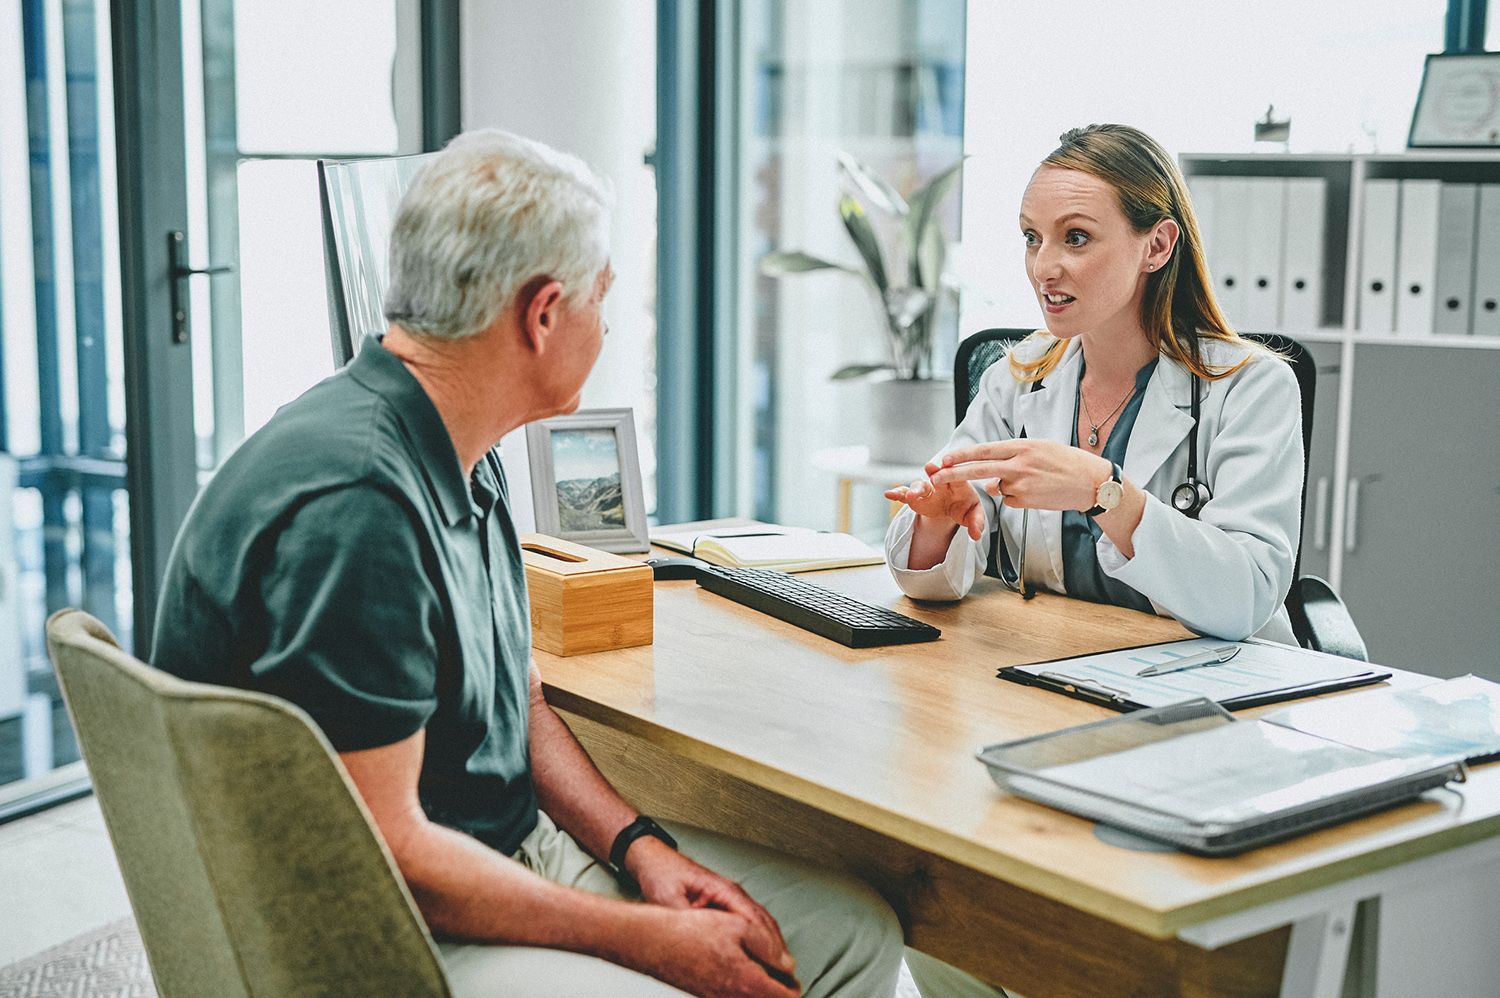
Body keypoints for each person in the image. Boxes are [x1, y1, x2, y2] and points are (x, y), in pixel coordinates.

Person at [151, 129, 908, 997]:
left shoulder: (460, 440)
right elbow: (391, 851)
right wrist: (640, 938)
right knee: (696, 970)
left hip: (490, 851)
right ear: (542, 314)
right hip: (373, 922)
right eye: (601, 298)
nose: (610, 324)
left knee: (851, 930)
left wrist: (643, 850)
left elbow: (525, 698)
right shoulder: (358, 508)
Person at [884, 123, 1303, 643]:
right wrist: (937, 524)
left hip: (1215, 691)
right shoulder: (1015, 380)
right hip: (1060, 664)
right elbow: (930, 581)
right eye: (1032, 238)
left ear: (1157, 246)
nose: (1043, 267)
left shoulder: (1253, 389)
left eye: (1075, 237)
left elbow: (1249, 597)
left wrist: (1104, 494)